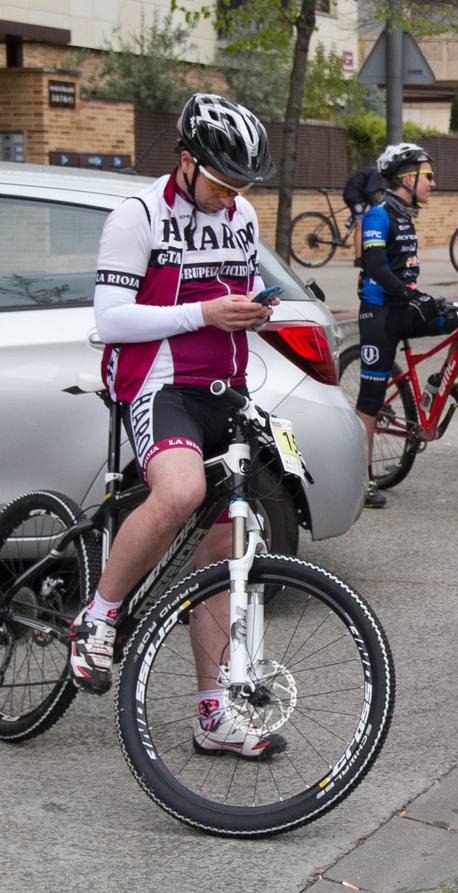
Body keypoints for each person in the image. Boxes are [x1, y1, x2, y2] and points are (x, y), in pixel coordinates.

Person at [69, 93, 286, 759]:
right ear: (186, 162)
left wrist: (254, 314)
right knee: (180, 491)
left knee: (223, 548)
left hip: (226, 387)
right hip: (158, 385)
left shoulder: (241, 215)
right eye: (221, 183)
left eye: (242, 186)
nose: (231, 198)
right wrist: (203, 315)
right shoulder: (138, 216)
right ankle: (98, 616)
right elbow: (111, 319)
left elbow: (235, 298)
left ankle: (212, 712)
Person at [355, 142, 458, 510]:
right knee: (369, 401)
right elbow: (374, 265)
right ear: (406, 177)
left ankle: (441, 383)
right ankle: (362, 479)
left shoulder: (404, 215)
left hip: (404, 307)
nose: (433, 183)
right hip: (379, 315)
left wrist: (421, 298)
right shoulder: (379, 215)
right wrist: (410, 294)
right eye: (427, 176)